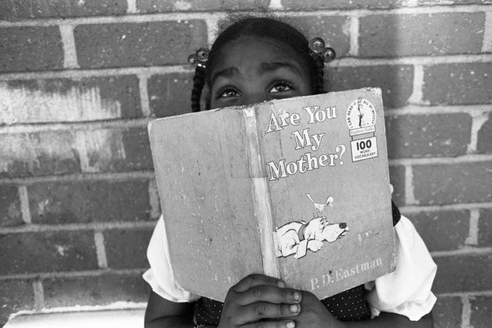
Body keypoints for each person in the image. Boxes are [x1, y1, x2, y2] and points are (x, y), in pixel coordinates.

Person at [143, 17, 437, 328]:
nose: (254, 109)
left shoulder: (365, 202)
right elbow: (161, 319)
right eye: (230, 92)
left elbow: (417, 320)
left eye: (279, 86)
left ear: (317, 98)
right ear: (207, 108)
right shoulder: (188, 216)